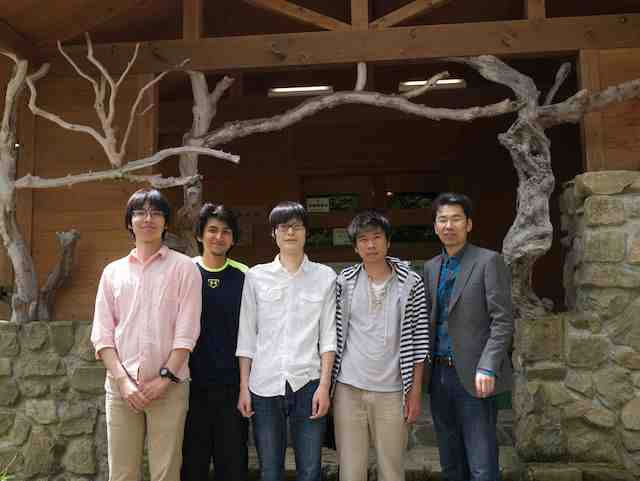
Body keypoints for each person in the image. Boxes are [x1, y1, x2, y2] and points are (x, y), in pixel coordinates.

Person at [91, 187, 202, 481]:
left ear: (166, 222)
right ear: (130, 221)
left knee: (166, 472)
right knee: (122, 473)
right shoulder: (112, 272)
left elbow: (187, 331)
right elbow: (102, 334)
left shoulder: (185, 268)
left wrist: (164, 379)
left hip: (170, 387)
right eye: (140, 212)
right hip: (121, 389)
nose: (148, 219)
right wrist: (123, 382)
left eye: (156, 213)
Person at [236, 201, 337, 481]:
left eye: (297, 226)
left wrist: (324, 387)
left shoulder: (325, 277)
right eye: (283, 227)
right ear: (274, 233)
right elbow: (247, 336)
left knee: (310, 470)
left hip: (309, 383)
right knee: (270, 470)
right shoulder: (256, 277)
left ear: (306, 232)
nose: (290, 232)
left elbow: (329, 337)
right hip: (264, 384)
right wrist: (244, 387)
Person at [331, 209, 430, 481]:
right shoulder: (344, 282)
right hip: (349, 390)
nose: (371, 244)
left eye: (376, 237)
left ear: (388, 241)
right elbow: (332, 334)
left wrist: (414, 393)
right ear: (355, 247)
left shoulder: (411, 283)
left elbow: (420, 341)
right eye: (363, 239)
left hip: (393, 391)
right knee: (350, 471)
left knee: (392, 470)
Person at [423, 192, 513, 481]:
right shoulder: (431, 267)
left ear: (469, 224)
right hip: (438, 375)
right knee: (450, 462)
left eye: (456, 219)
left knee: (481, 464)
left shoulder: (489, 261)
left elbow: (502, 320)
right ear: (435, 226)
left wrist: (488, 366)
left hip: (476, 375)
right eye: (443, 220)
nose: (449, 225)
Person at [181, 204, 249, 481]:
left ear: (233, 238)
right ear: (200, 235)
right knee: (191, 465)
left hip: (232, 387)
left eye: (225, 231)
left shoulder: (245, 275)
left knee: (232, 465)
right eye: (212, 230)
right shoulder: (185, 271)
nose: (218, 237)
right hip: (189, 385)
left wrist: (245, 384)